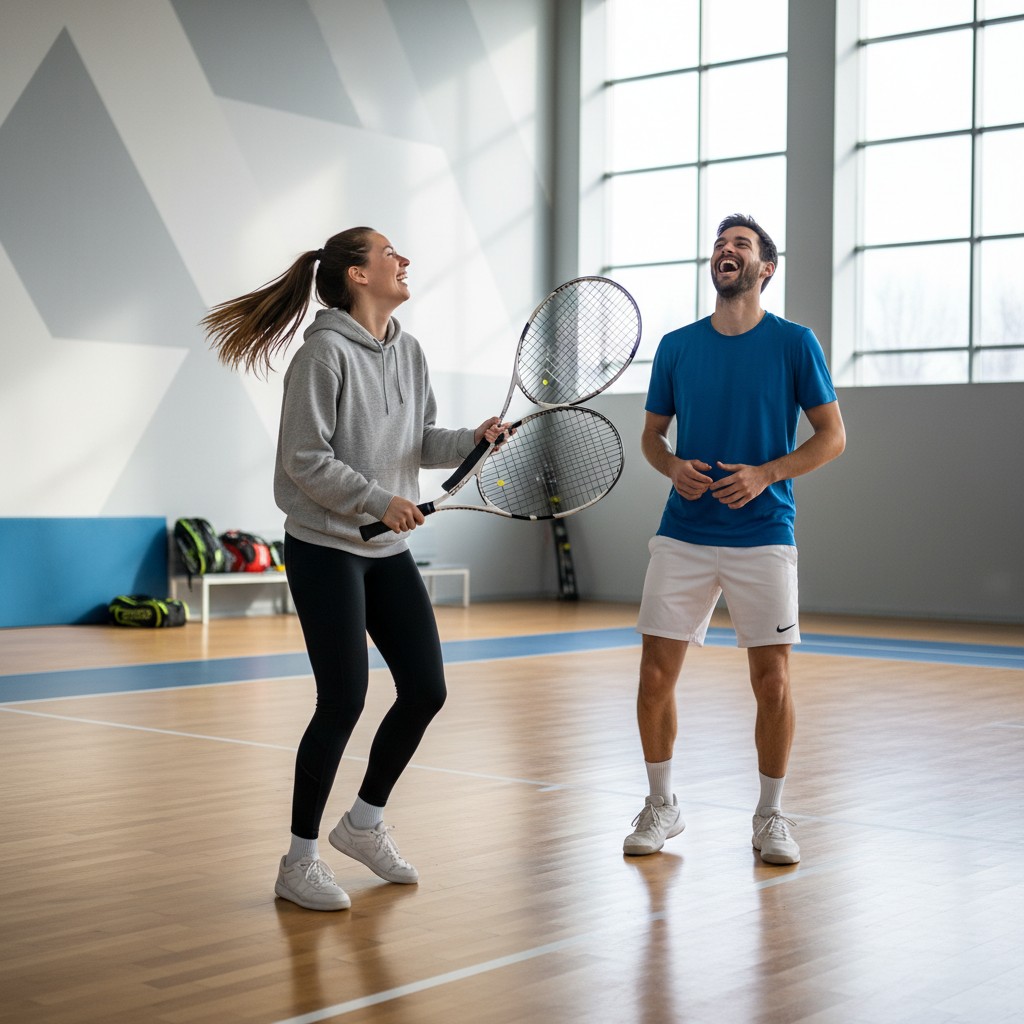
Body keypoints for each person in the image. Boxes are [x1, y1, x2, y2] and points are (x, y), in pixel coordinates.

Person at [203, 227, 510, 910]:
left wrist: (475, 439)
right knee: (342, 700)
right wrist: (379, 499)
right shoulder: (321, 356)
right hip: (324, 548)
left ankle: (363, 823)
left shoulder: (410, 349)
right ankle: (299, 861)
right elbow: (304, 462)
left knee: (425, 690)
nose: (404, 259)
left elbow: (420, 440)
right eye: (389, 253)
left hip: (386, 552)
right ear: (356, 275)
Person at [624, 213, 846, 866]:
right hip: (684, 534)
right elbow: (651, 437)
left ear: (765, 269)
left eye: (741, 245)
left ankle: (771, 816)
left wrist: (767, 473)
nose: (726, 250)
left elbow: (833, 437)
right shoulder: (677, 346)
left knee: (772, 682)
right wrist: (672, 467)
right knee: (654, 674)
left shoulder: (795, 343)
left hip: (763, 533)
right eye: (721, 244)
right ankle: (662, 805)